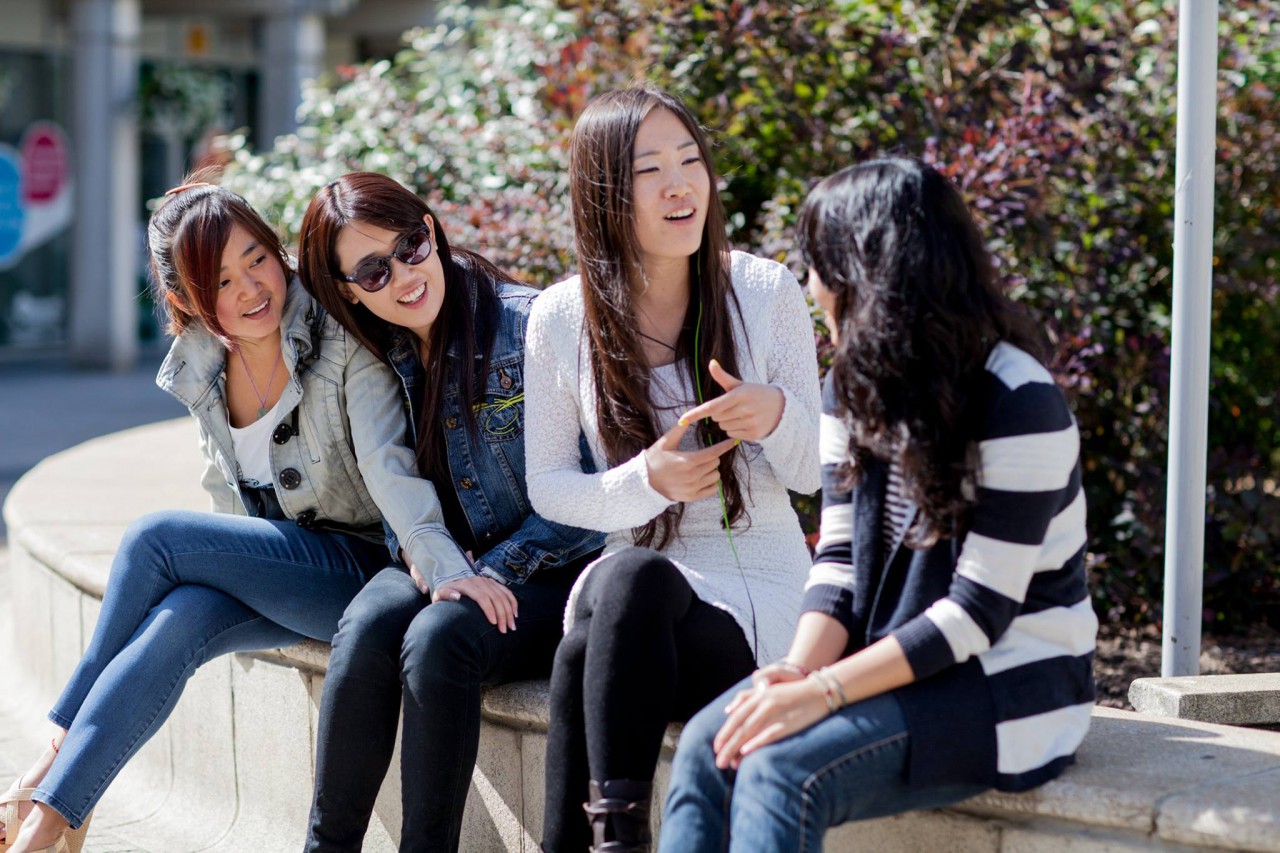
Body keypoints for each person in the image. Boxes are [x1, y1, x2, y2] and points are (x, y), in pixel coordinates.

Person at [0, 169, 458, 853]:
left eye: (256, 259)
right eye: (220, 281)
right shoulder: (202, 363)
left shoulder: (338, 338)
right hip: (287, 576)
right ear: (186, 298)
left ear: (277, 251)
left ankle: (46, 765)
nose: (250, 289)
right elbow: (227, 500)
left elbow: (389, 471)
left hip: (368, 572)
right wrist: (232, 577)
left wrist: (443, 564)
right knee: (181, 616)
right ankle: (52, 821)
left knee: (155, 537)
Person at [659, 157, 1097, 852]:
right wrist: (795, 671)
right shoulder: (852, 387)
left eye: (818, 265)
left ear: (866, 274)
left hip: (1008, 687)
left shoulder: (1019, 400)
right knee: (711, 743)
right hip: (894, 666)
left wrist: (822, 692)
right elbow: (840, 562)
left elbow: (977, 612)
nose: (811, 286)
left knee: (778, 769)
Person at [523, 87, 822, 852]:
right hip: (633, 606)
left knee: (596, 629)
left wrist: (775, 415)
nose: (681, 185)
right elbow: (547, 485)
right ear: (604, 193)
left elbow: (816, 475)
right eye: (650, 170)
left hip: (755, 599)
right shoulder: (560, 317)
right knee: (625, 586)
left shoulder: (763, 292)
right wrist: (645, 483)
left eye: (690, 161)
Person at [295, 172, 603, 853]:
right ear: (348, 290)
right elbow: (391, 483)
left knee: (441, 636)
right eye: (374, 271)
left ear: (430, 230)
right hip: (451, 565)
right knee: (369, 623)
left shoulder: (529, 326)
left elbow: (598, 495)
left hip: (559, 570)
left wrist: (490, 571)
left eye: (410, 245)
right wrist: (427, 555)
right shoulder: (379, 356)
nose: (405, 275)